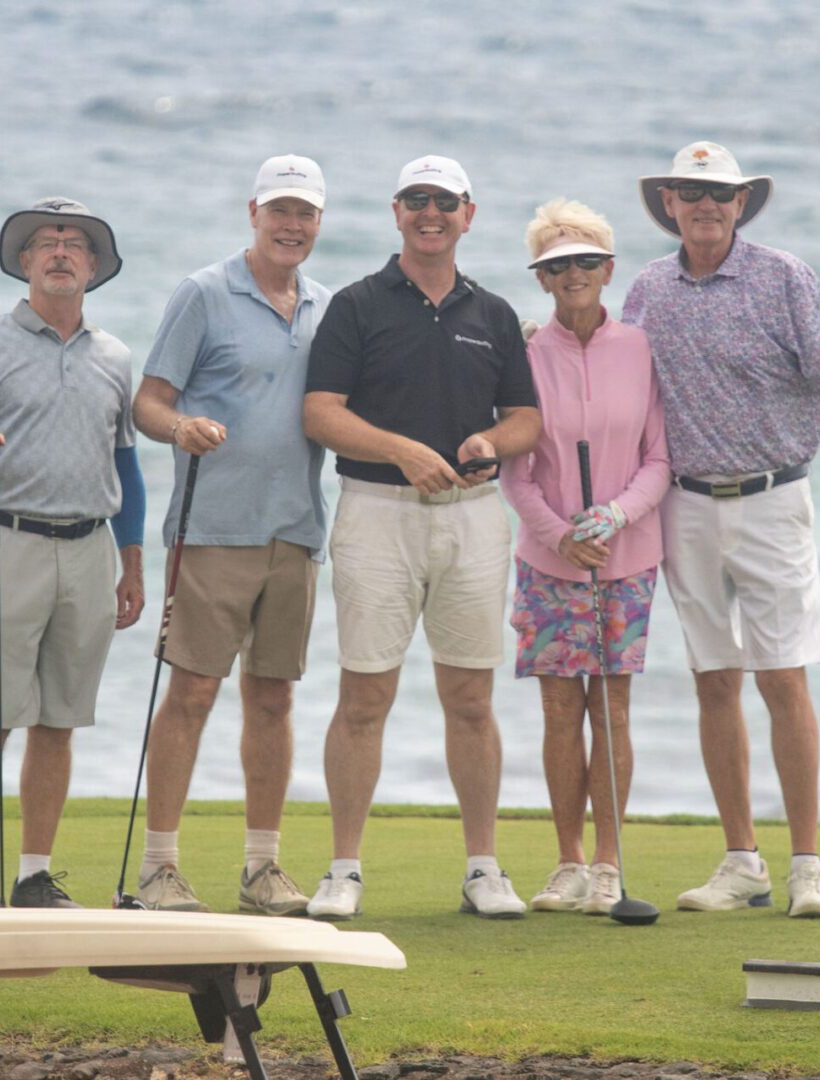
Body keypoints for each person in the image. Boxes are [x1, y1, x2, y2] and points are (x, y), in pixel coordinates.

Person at [622, 142, 820, 918]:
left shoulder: (782, 275)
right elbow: (612, 370)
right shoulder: (648, 289)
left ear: (741, 204)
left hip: (772, 498)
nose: (705, 204)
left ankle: (807, 868)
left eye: (720, 193)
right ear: (670, 202)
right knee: (713, 678)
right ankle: (742, 862)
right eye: (691, 192)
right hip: (686, 503)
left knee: (783, 675)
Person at [302, 155, 541, 920]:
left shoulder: (494, 315)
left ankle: (483, 870)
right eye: (416, 200)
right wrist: (402, 449)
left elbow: (527, 418)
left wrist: (490, 442)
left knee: (471, 696)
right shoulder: (358, 305)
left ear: (469, 214)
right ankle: (343, 870)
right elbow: (321, 413)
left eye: (445, 201)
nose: (430, 212)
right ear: (396, 212)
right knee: (364, 693)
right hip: (376, 510)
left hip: (473, 517)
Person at [0, 197, 145, 909]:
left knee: (59, 721)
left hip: (88, 552)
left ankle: (33, 877)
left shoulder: (114, 357)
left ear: (92, 267)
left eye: (74, 243)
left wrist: (133, 562)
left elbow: (128, 468)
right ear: (24, 262)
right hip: (4, 540)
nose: (59, 252)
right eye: (46, 242)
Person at [128, 155, 332, 915]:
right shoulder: (205, 294)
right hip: (211, 529)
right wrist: (180, 427)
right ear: (254, 212)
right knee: (191, 693)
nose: (292, 225)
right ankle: (159, 868)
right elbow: (148, 402)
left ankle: (262, 868)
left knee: (273, 698)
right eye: (280, 210)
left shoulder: (325, 305)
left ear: (319, 222)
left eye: (305, 213)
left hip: (296, 531)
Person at [500, 199, 671, 916]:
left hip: (627, 556)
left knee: (614, 708)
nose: (571, 274)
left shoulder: (638, 347)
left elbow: (658, 458)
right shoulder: (525, 354)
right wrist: (559, 531)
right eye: (555, 265)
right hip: (549, 559)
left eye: (583, 262)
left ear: (607, 270)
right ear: (542, 278)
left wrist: (615, 513)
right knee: (557, 708)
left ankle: (609, 863)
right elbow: (516, 470)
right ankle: (568, 861)